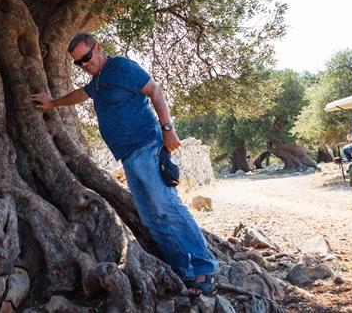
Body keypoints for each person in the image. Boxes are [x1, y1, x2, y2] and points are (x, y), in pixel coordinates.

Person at [30, 33, 218, 297]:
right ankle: (183, 271)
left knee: (168, 208)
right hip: (128, 158)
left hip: (148, 149)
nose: (84, 64)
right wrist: (52, 103)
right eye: (78, 63)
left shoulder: (120, 67)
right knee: (152, 219)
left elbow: (155, 90)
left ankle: (205, 268)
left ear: (98, 47)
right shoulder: (97, 82)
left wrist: (167, 129)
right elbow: (80, 95)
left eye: (86, 57)